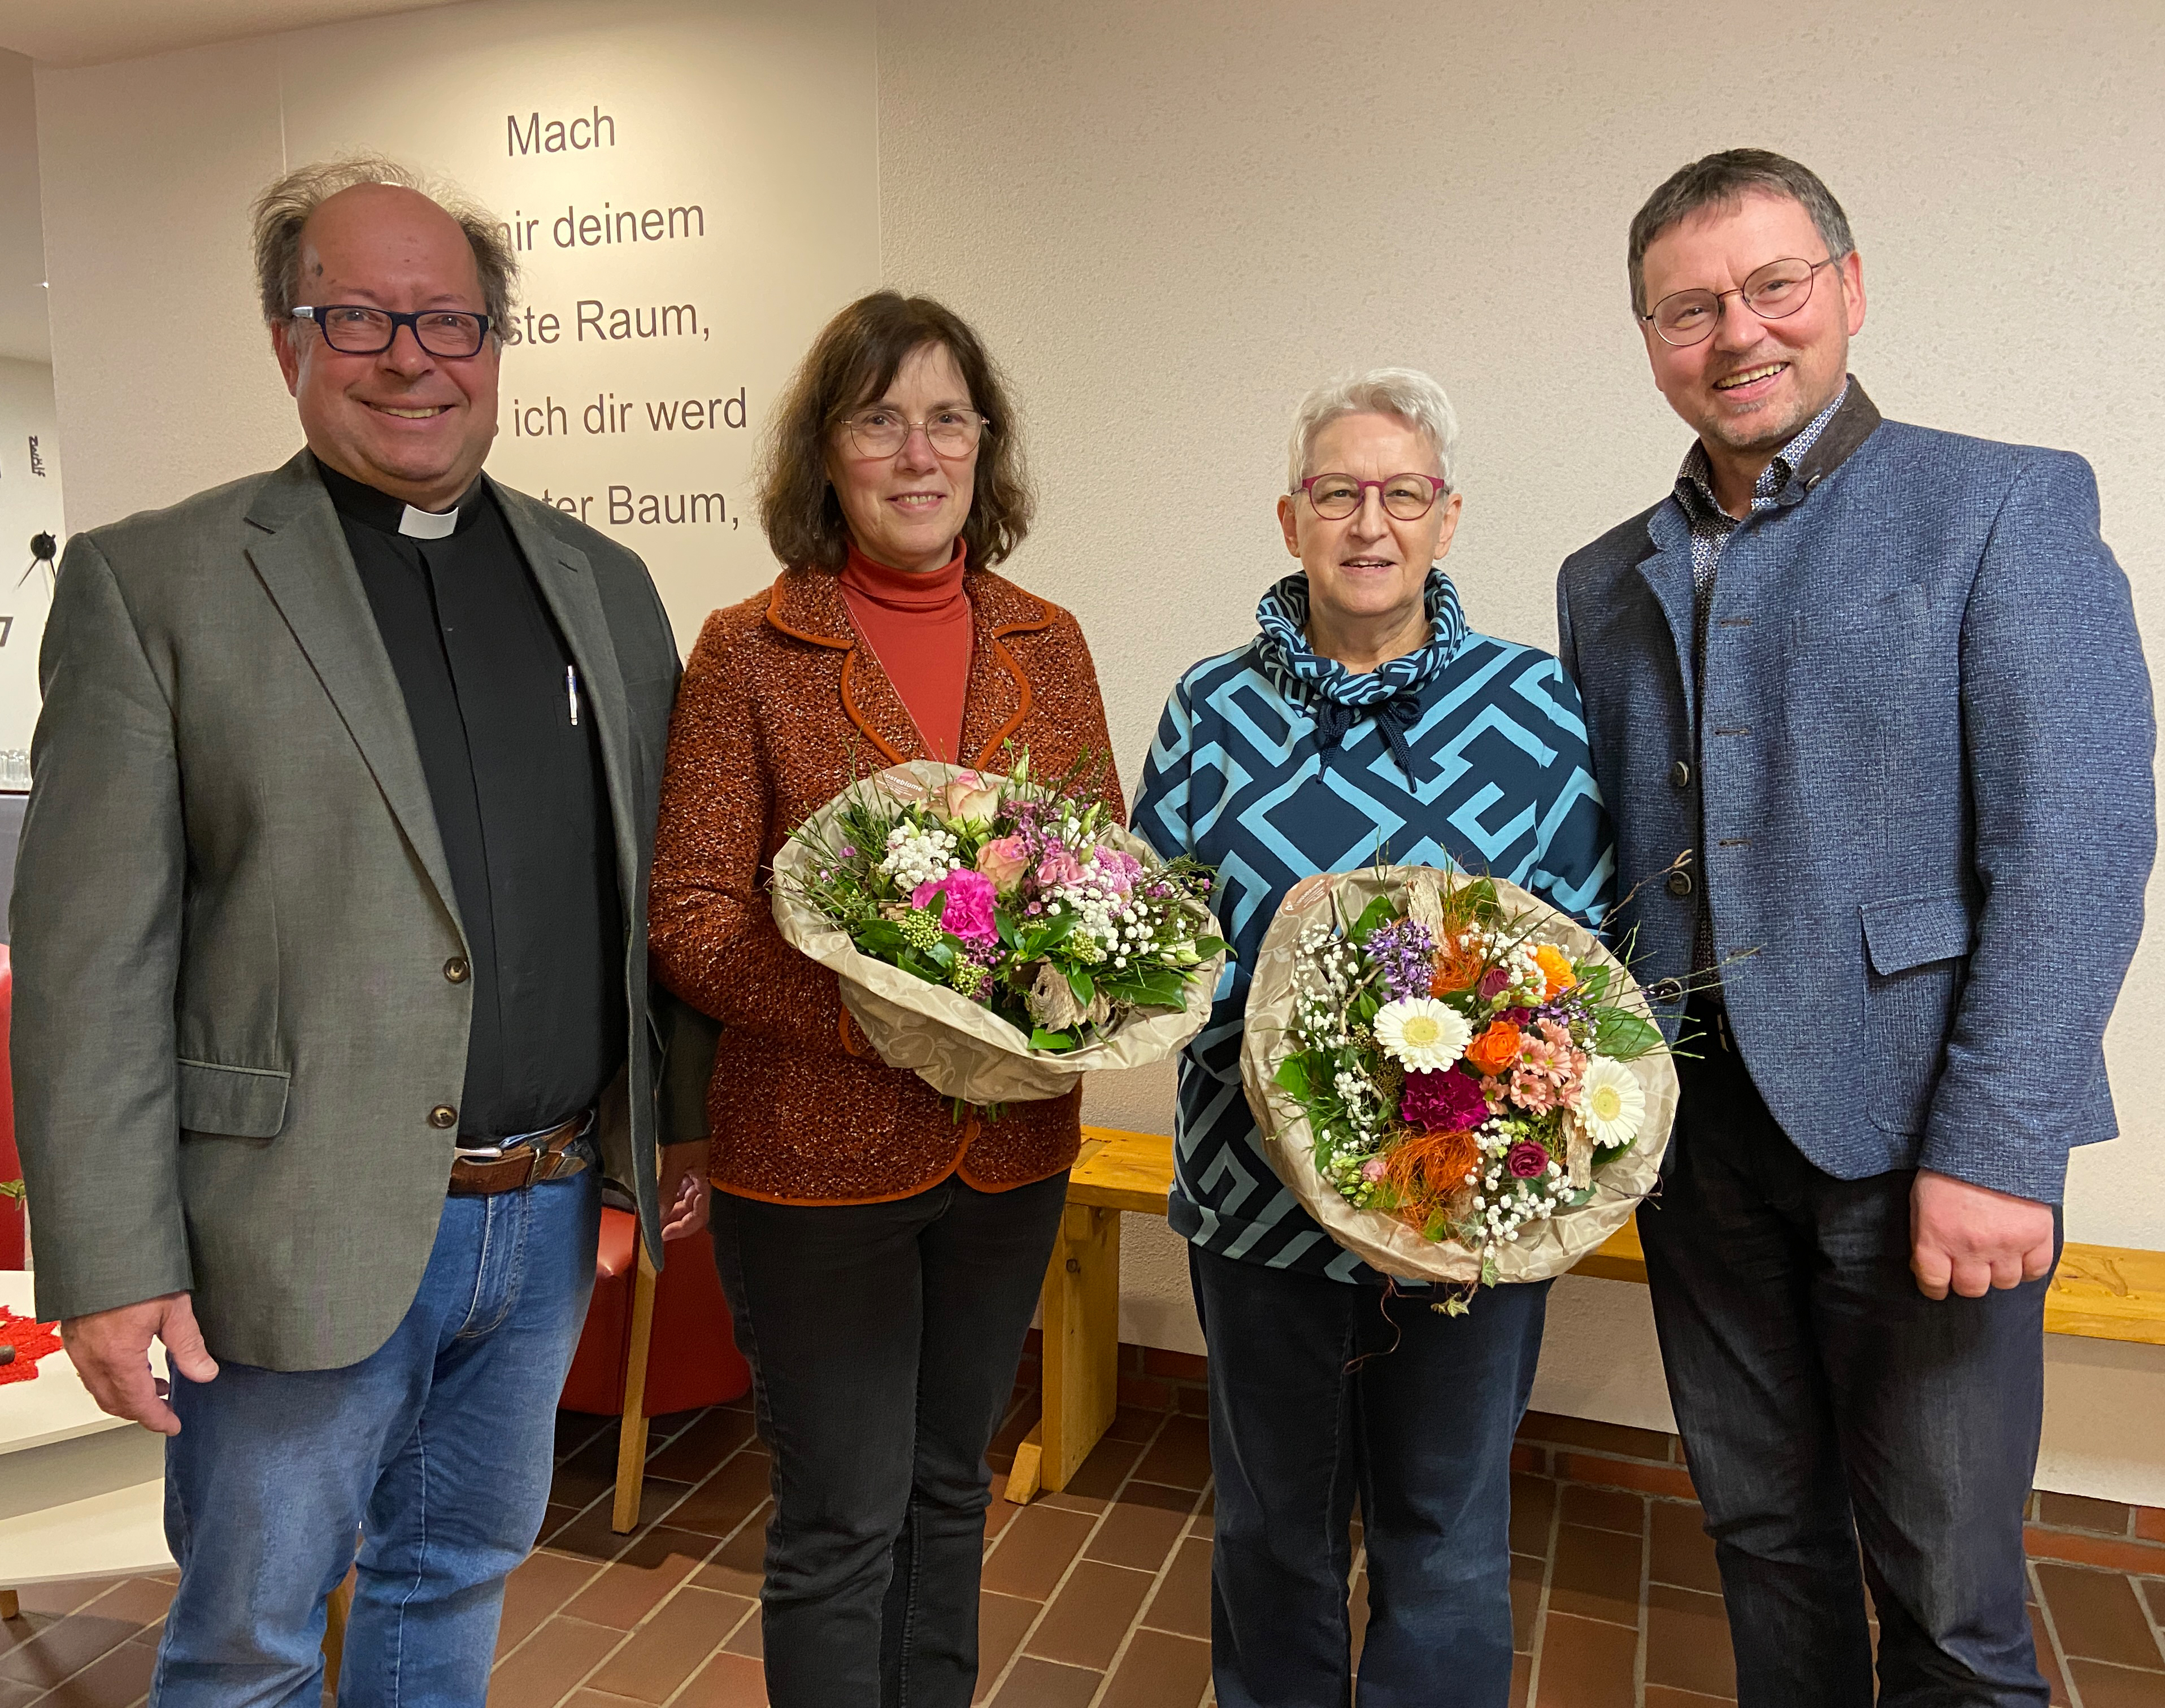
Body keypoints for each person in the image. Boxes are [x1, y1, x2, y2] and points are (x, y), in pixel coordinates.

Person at [10, 157, 712, 1706]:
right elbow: (85, 963)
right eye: (361, 316)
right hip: (288, 1227)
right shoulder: (162, 585)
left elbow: (649, 884)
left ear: (498, 344)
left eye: (451, 320)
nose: (413, 356)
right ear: (289, 341)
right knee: (253, 1638)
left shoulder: (604, 585)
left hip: (535, 1222)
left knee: (449, 1582)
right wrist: (111, 1264)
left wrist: (662, 1136)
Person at [1555, 148, 2155, 1706]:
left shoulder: (2002, 503)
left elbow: (2078, 838)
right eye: (1688, 308)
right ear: (1649, 339)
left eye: (1772, 287)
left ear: (1849, 290)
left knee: (1952, 1602)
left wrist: (2003, 1144)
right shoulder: (1598, 578)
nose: (1737, 333)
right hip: (1699, 1151)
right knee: (1763, 1543)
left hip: (1922, 1147)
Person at [647, 290, 1118, 1706]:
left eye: (947, 419)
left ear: (984, 446)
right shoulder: (750, 647)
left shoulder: (1047, 640)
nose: (917, 453)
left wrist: (1067, 993)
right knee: (842, 1519)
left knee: (949, 1497)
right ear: (826, 450)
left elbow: (1100, 882)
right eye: (879, 418)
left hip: (1011, 1153)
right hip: (812, 1160)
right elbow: (691, 915)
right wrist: (880, 1017)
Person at [1134, 368, 1613, 1708]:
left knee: (1445, 1543)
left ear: (1445, 519)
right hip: (1252, 1203)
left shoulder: (1532, 711)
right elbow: (1161, 942)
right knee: (1272, 1535)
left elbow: (1581, 969)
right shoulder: (1208, 711)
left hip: (1471, 1208)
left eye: (1400, 494)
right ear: (1288, 518)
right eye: (1337, 494)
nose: (1367, 523)